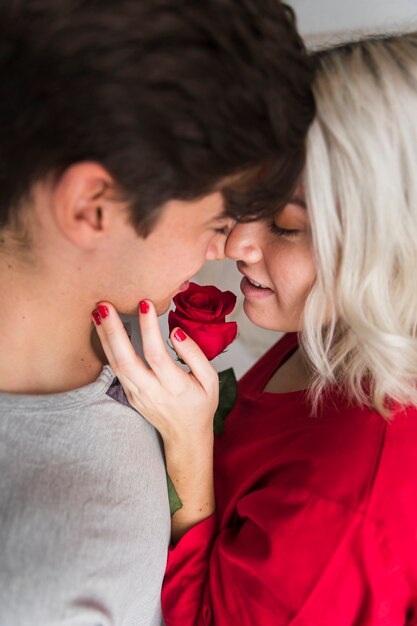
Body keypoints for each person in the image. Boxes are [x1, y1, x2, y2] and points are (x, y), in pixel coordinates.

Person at [0, 1, 315, 623]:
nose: (225, 248)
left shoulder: (134, 330)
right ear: (95, 205)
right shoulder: (60, 585)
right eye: (217, 220)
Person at [94, 31, 417, 625]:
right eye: (248, 202)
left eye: (286, 226)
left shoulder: (346, 497)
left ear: (393, 244)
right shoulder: (333, 329)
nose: (237, 243)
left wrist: (190, 449)